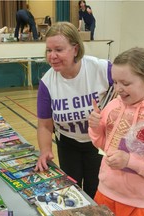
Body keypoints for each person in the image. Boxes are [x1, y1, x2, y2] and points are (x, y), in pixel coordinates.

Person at [34, 22, 113, 199]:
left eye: (59, 50)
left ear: (75, 49)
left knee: (96, 192)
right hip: (68, 144)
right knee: (72, 192)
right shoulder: (47, 82)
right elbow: (45, 125)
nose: (52, 56)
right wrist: (45, 150)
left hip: (99, 145)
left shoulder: (101, 68)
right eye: (48, 50)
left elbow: (130, 84)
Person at [88, 47, 144, 216]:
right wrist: (95, 128)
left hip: (138, 203)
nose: (118, 89)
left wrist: (129, 161)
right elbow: (103, 146)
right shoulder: (114, 105)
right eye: (115, 82)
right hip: (104, 191)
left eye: (126, 83)